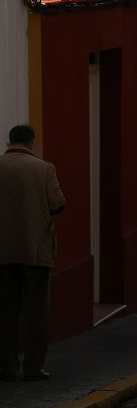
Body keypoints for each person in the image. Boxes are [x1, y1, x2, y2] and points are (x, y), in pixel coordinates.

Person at [0, 125, 65, 381]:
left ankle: (6, 365)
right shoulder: (44, 168)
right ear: (32, 143)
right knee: (36, 311)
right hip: (36, 250)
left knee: (5, 309)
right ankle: (33, 367)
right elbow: (58, 204)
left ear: (9, 143)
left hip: (2, 252)